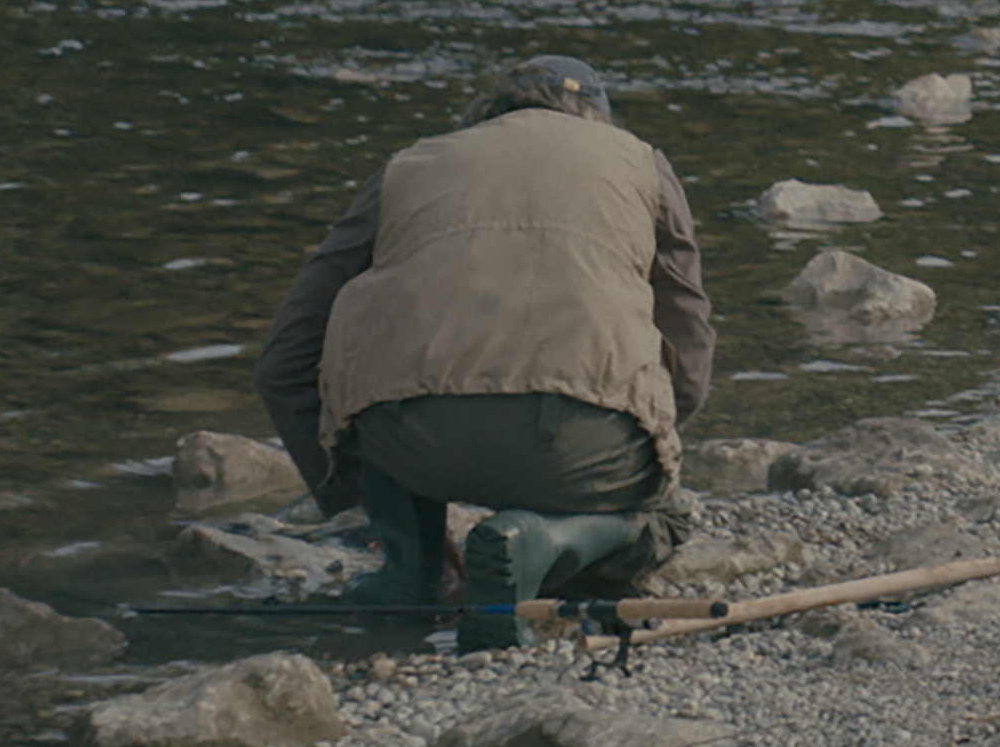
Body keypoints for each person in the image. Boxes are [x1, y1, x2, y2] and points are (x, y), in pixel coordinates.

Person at [256, 54, 713, 647]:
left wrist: (349, 490)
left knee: (374, 392)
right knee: (665, 514)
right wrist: (655, 441)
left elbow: (284, 358)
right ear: (599, 118)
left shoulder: (409, 165)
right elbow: (688, 334)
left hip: (411, 446)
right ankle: (543, 542)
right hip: (579, 446)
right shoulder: (642, 165)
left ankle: (410, 572)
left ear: (490, 112)